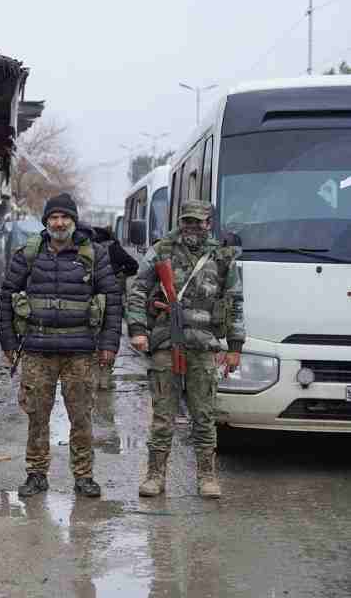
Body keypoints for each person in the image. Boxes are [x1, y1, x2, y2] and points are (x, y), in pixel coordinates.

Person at [0, 193, 123, 499]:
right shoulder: (28, 253)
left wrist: (109, 343)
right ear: (46, 222)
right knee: (37, 416)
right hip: (37, 350)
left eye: (65, 217)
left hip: (79, 352)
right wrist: (8, 341)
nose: (59, 222)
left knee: (81, 417)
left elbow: (112, 299)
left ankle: (84, 476)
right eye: (53, 217)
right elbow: (7, 295)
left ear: (73, 220)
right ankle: (36, 474)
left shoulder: (94, 254)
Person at [127, 199, 244, 499]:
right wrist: (138, 330)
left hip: (203, 346)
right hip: (166, 341)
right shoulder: (162, 250)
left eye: (198, 221)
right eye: (187, 221)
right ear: (180, 222)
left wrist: (235, 346)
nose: (192, 226)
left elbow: (235, 303)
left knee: (203, 415)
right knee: (163, 416)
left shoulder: (222, 256)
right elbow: (138, 290)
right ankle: (155, 475)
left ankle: (207, 476)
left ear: (209, 224)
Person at [90, 226, 138, 390]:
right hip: (113, 296)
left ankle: (94, 376)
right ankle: (105, 377)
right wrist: (119, 274)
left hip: (92, 299)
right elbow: (133, 265)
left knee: (93, 335)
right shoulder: (114, 248)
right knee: (110, 334)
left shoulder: (87, 248)